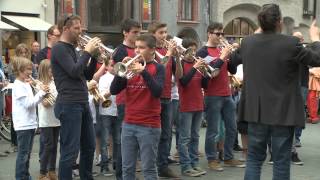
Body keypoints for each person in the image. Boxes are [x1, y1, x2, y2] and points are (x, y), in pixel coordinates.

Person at [229, 4, 320, 180]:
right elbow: (316, 59)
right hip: (283, 114)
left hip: (256, 112)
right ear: (279, 22)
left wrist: (257, 32)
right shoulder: (291, 43)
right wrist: (316, 38)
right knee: (281, 161)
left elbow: (232, 62)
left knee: (254, 160)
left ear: (260, 22)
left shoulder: (247, 43)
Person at [51, 15, 100, 180]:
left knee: (89, 147)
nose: (81, 31)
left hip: (82, 102)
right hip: (69, 104)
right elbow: (73, 71)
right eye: (77, 28)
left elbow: (85, 74)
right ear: (66, 29)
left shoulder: (73, 48)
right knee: (70, 151)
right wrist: (87, 52)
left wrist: (94, 57)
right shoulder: (59, 48)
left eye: (81, 28)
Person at [110, 34, 165, 180]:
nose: (137, 51)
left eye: (141, 47)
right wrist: (121, 71)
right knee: (127, 169)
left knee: (149, 169)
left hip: (149, 125)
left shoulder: (158, 68)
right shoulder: (129, 69)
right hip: (129, 123)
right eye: (136, 47)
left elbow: (157, 92)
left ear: (152, 49)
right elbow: (114, 90)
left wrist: (143, 72)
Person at [196, 22, 245, 171]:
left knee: (232, 128)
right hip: (213, 95)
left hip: (227, 94)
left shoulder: (221, 50)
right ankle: (212, 159)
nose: (221, 37)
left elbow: (232, 69)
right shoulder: (202, 52)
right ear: (209, 34)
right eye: (218, 34)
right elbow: (209, 74)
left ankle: (229, 157)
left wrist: (232, 54)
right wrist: (222, 57)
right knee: (213, 130)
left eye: (222, 34)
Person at [148, 21, 180, 179]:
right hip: (154, 97)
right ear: (153, 34)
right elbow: (158, 67)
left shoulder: (169, 52)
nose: (164, 35)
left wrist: (178, 58)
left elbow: (179, 76)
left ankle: (163, 166)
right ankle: (150, 166)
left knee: (166, 134)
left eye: (165, 32)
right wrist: (169, 54)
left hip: (168, 96)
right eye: (161, 32)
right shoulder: (150, 50)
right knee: (153, 134)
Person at [11, 57, 49, 180]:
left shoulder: (25, 83)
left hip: (29, 123)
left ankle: (25, 176)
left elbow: (32, 102)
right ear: (20, 70)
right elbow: (29, 104)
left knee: (26, 154)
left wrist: (39, 90)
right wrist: (41, 93)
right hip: (23, 125)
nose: (31, 72)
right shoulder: (18, 85)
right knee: (23, 155)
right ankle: (20, 177)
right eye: (28, 69)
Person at [175, 38, 207, 177]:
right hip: (186, 105)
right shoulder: (180, 64)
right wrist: (195, 68)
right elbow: (184, 81)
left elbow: (204, 85)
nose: (193, 53)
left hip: (198, 104)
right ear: (183, 51)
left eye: (194, 50)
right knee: (184, 138)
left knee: (195, 136)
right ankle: (185, 166)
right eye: (189, 50)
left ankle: (194, 164)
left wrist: (205, 72)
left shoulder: (197, 64)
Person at [37, 59, 60, 180]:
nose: (53, 71)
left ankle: (52, 171)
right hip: (45, 120)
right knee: (48, 146)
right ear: (45, 70)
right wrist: (53, 97)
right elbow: (45, 103)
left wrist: (53, 97)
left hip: (56, 119)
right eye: (51, 69)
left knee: (54, 146)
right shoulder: (39, 84)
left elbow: (51, 100)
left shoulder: (55, 82)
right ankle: (42, 173)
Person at [99, 60, 119, 177]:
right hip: (106, 111)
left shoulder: (120, 76)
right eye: (111, 66)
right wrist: (112, 90)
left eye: (115, 66)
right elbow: (101, 94)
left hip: (117, 111)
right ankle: (104, 166)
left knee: (117, 140)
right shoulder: (103, 78)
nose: (113, 68)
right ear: (106, 66)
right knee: (105, 141)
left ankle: (116, 163)